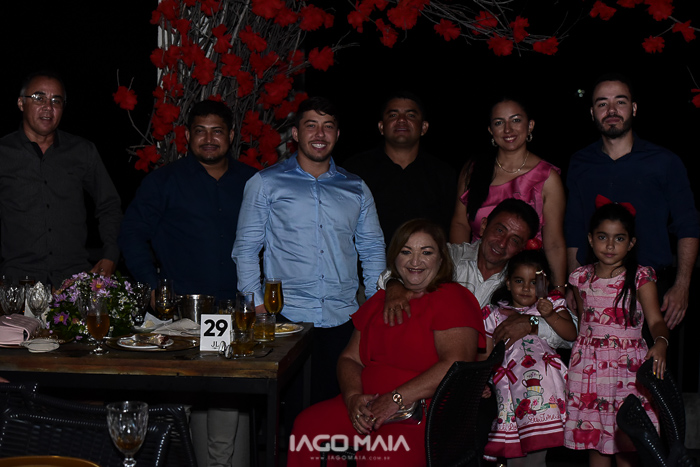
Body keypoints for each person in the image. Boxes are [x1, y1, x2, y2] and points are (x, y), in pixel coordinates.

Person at [119, 100, 257, 467]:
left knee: (226, 409)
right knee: (178, 414)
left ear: (231, 135)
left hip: (233, 314)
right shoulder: (164, 182)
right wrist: (151, 285)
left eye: (217, 131)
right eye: (200, 131)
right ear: (187, 136)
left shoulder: (253, 182)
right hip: (180, 316)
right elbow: (131, 234)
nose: (208, 139)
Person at [286, 219, 485, 466]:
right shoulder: (380, 300)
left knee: (384, 454)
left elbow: (456, 365)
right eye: (406, 252)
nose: (415, 261)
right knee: (308, 427)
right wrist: (352, 397)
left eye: (426, 252)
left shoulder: (452, 297)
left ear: (441, 259)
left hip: (422, 410)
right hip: (368, 406)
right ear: (394, 258)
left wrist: (396, 398)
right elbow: (349, 358)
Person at [232, 96, 386, 403]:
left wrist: (374, 306)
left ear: (337, 135)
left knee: (338, 411)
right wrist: (259, 309)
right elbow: (246, 250)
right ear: (295, 133)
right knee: (290, 414)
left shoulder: (356, 187)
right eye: (311, 125)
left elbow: (372, 249)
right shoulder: (265, 183)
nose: (320, 134)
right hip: (285, 318)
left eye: (328, 126)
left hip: (345, 320)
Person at [565, 73, 699, 330]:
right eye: (602, 103)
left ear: (634, 108)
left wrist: (682, 285)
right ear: (592, 112)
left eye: (620, 101)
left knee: (652, 356)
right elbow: (574, 227)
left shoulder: (665, 162)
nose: (611, 110)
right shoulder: (580, 163)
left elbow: (688, 224)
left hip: (652, 290)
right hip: (594, 290)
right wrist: (574, 283)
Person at [383, 199, 575, 352]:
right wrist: (394, 286)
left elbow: (572, 335)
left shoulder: (522, 281)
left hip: (489, 379)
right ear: (483, 226)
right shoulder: (451, 257)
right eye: (499, 230)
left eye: (514, 240)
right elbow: (395, 272)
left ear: (522, 248)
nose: (502, 243)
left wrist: (532, 323)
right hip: (429, 357)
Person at [565, 199, 669, 466]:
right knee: (596, 443)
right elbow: (583, 325)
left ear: (631, 243)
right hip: (589, 371)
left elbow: (656, 321)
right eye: (602, 237)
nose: (610, 245)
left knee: (628, 443)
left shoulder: (640, 278)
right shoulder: (580, 278)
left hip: (627, 370)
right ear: (590, 239)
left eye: (619, 238)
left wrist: (660, 342)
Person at [0, 71, 122, 286]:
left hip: (73, 281)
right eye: (39, 98)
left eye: (56, 100)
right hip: (16, 283)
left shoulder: (82, 151)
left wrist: (111, 255)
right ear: (21, 103)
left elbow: (109, 205)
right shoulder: (4, 152)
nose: (48, 106)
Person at [450, 96, 567, 296]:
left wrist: (557, 291)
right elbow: (460, 224)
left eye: (516, 120)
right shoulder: (474, 170)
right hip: (475, 276)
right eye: (499, 122)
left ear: (530, 125)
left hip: (525, 284)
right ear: (490, 130)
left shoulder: (548, 178)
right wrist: (458, 275)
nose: (508, 129)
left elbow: (554, 243)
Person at [482, 249, 575, 466]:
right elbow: (485, 354)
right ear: (507, 283)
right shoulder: (493, 314)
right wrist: (482, 381)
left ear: (544, 283)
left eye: (533, 282)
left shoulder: (550, 308)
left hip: (546, 389)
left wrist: (549, 314)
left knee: (538, 452)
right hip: (510, 390)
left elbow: (571, 334)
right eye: (519, 281)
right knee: (516, 451)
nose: (525, 288)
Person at [343, 92, 456, 244]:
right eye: (393, 115)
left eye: (410, 115)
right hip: (368, 259)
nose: (401, 120)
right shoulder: (355, 170)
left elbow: (451, 230)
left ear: (424, 127)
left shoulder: (443, 174)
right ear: (381, 127)